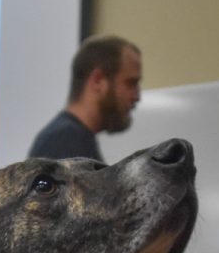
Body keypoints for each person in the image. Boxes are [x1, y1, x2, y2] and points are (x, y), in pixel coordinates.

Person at [28, 34, 142, 162]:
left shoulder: (75, 138)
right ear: (98, 81)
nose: (137, 97)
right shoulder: (65, 141)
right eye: (130, 83)